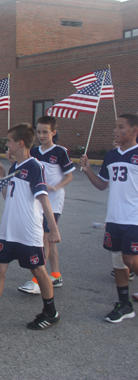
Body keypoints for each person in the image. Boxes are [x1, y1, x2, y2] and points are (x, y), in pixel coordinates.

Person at [0, 123, 61, 331]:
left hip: (28, 231)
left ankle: (51, 312)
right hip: (9, 230)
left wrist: (52, 228)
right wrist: (3, 172)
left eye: (8, 141)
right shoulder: (15, 167)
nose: (6, 144)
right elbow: (10, 197)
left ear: (20, 143)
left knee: (39, 270)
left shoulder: (35, 166)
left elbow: (42, 197)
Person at [80, 114, 138, 323]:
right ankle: (124, 304)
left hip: (134, 218)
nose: (115, 130)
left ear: (134, 131)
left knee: (130, 259)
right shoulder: (111, 155)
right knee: (117, 260)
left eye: (120, 127)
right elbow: (102, 184)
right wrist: (87, 171)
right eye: (115, 126)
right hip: (114, 217)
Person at [18, 116, 74, 294]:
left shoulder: (60, 151)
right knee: (49, 240)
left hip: (54, 202)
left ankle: (37, 280)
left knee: (44, 237)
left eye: (45, 132)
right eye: (39, 132)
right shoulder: (33, 151)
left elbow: (69, 175)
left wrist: (56, 187)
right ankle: (56, 275)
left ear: (53, 132)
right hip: (37, 201)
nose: (41, 135)